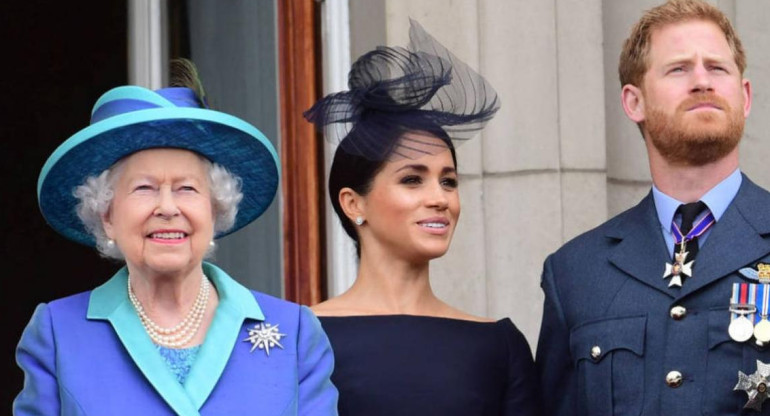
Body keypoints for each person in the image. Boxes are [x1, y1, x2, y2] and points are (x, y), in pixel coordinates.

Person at [13, 59, 338, 415]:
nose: (167, 208)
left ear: (215, 211)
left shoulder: (295, 332)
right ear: (106, 216)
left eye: (186, 188)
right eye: (144, 188)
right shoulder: (58, 333)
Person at [535, 0, 770, 415]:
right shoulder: (575, 272)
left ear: (745, 96)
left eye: (717, 68)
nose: (702, 81)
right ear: (634, 102)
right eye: (679, 68)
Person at [303, 20, 541, 416]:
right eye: (412, 179)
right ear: (353, 204)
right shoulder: (301, 336)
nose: (440, 198)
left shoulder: (498, 345)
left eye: (448, 182)